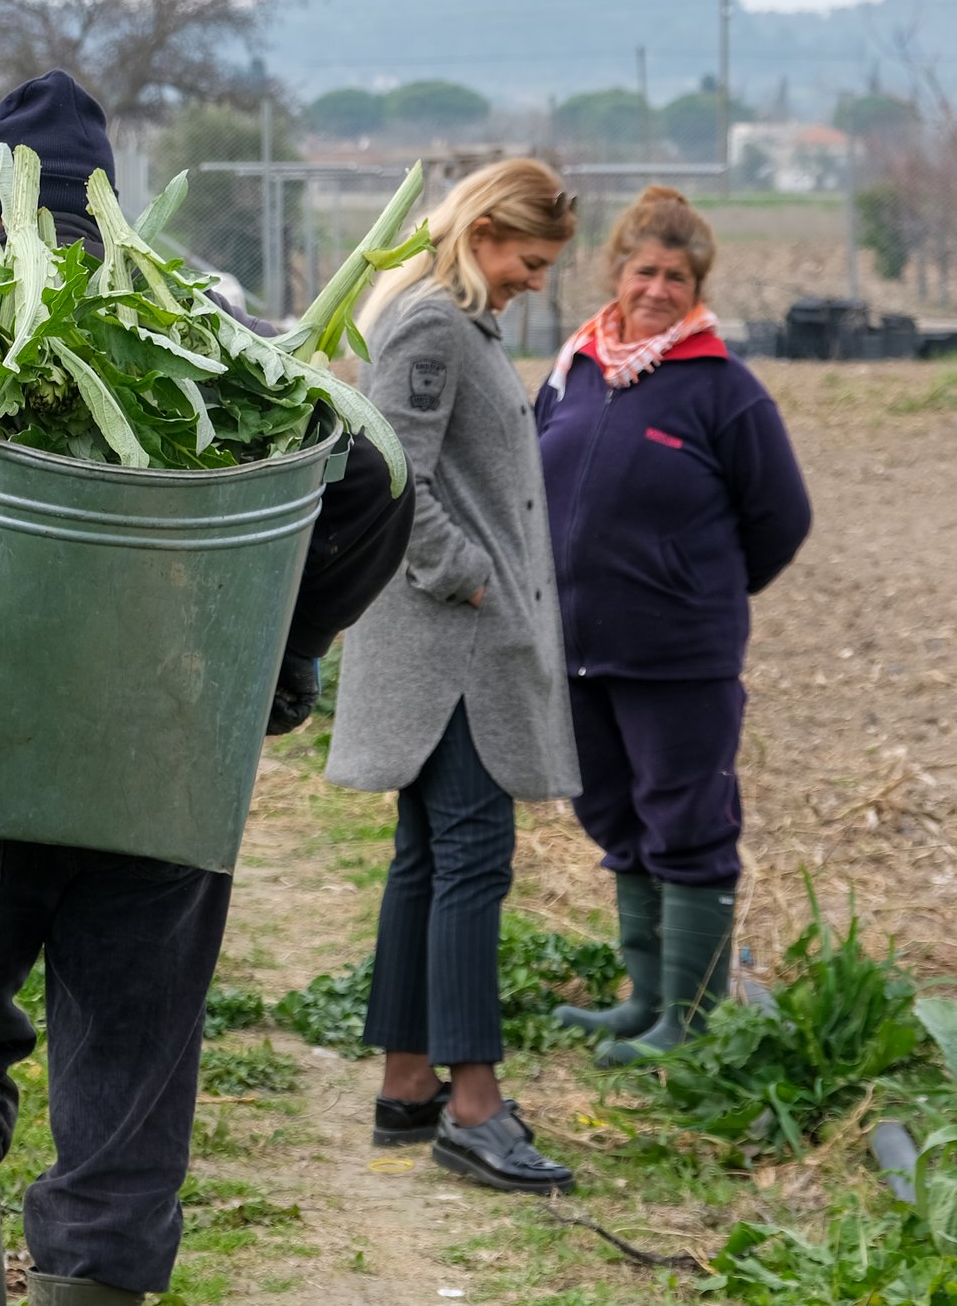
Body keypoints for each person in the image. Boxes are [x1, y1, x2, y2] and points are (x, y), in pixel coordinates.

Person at [0, 70, 413, 1306]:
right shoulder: (205, 343)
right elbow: (375, 477)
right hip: (151, 774)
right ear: (110, 221)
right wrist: (274, 643)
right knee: (126, 1089)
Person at [324, 160, 583, 1196]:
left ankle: (404, 1080)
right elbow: (392, 473)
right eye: (526, 261)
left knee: (427, 859)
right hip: (452, 653)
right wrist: (469, 577)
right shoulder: (434, 325)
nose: (532, 281)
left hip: (447, 645)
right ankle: (474, 1106)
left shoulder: (448, 317)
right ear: (480, 230)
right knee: (472, 859)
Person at [535, 186, 811, 1067]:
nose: (658, 286)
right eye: (645, 269)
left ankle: (687, 1021)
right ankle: (644, 999)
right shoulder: (574, 369)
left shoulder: (723, 390)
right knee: (617, 817)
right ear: (616, 270)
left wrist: (700, 590)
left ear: (699, 287)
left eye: (678, 275)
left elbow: (781, 519)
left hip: (677, 654)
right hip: (578, 651)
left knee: (686, 821)